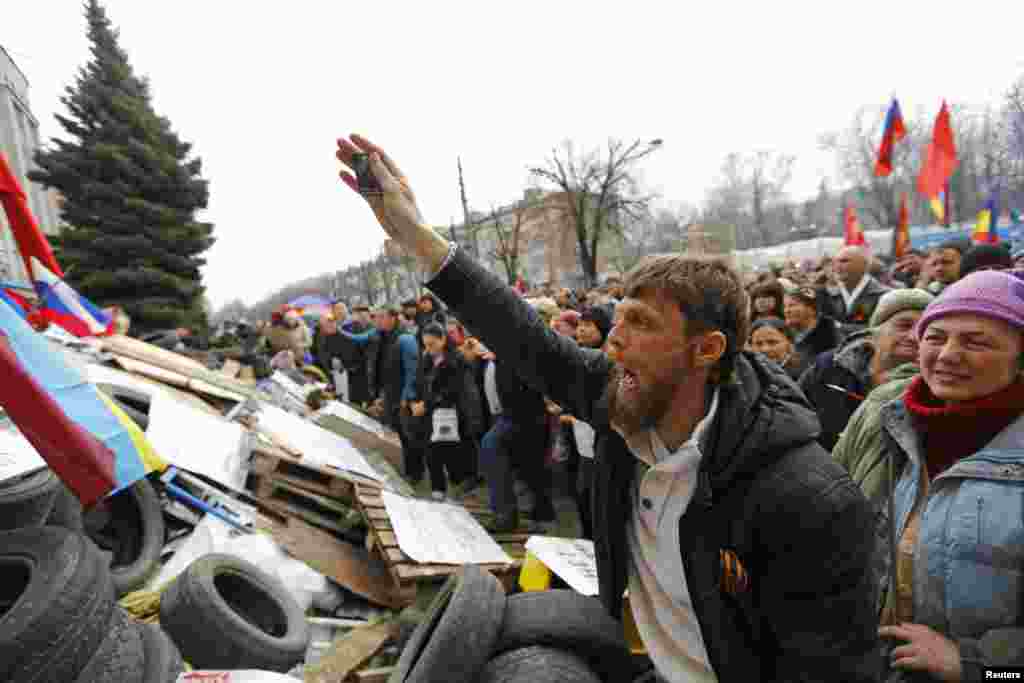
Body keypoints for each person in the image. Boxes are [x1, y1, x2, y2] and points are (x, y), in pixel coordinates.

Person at [335, 134, 879, 682]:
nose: (613, 341)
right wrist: (416, 236)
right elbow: (523, 335)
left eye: (641, 323)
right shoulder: (624, 401)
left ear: (706, 350)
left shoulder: (809, 501)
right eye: (618, 318)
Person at [833, 270, 1024, 681]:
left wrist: (978, 666)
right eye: (935, 337)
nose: (949, 354)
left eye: (976, 341)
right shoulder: (890, 427)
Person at [798, 289, 933, 451]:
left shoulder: (934, 385)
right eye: (904, 325)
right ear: (875, 331)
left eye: (924, 329)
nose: (914, 336)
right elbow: (796, 414)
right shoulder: (830, 367)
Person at [338, 306, 423, 484]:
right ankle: (406, 468)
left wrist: (406, 397)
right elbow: (359, 339)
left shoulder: (405, 338)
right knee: (396, 433)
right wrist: (338, 331)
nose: (377, 320)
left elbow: (412, 371)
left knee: (408, 435)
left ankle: (416, 473)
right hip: (389, 392)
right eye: (376, 317)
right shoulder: (379, 333)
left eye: (381, 317)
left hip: (403, 395)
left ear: (393, 318)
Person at [408, 323, 484, 500]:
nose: (428, 348)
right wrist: (414, 401)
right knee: (432, 452)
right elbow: (418, 382)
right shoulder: (427, 358)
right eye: (425, 344)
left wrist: (425, 404)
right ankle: (438, 491)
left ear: (443, 339)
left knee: (453, 454)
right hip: (431, 415)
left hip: (453, 416)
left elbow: (454, 390)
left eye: (432, 344)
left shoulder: (456, 360)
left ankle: (460, 486)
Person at [823, 246, 891, 331]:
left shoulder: (885, 295)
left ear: (864, 265)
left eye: (844, 261)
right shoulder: (827, 294)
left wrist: (840, 327)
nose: (837, 266)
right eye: (835, 262)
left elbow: (883, 329)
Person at [784, 286, 842, 360]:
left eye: (792, 305)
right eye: (785, 306)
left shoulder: (832, 335)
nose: (787, 311)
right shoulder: (788, 335)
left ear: (812, 309)